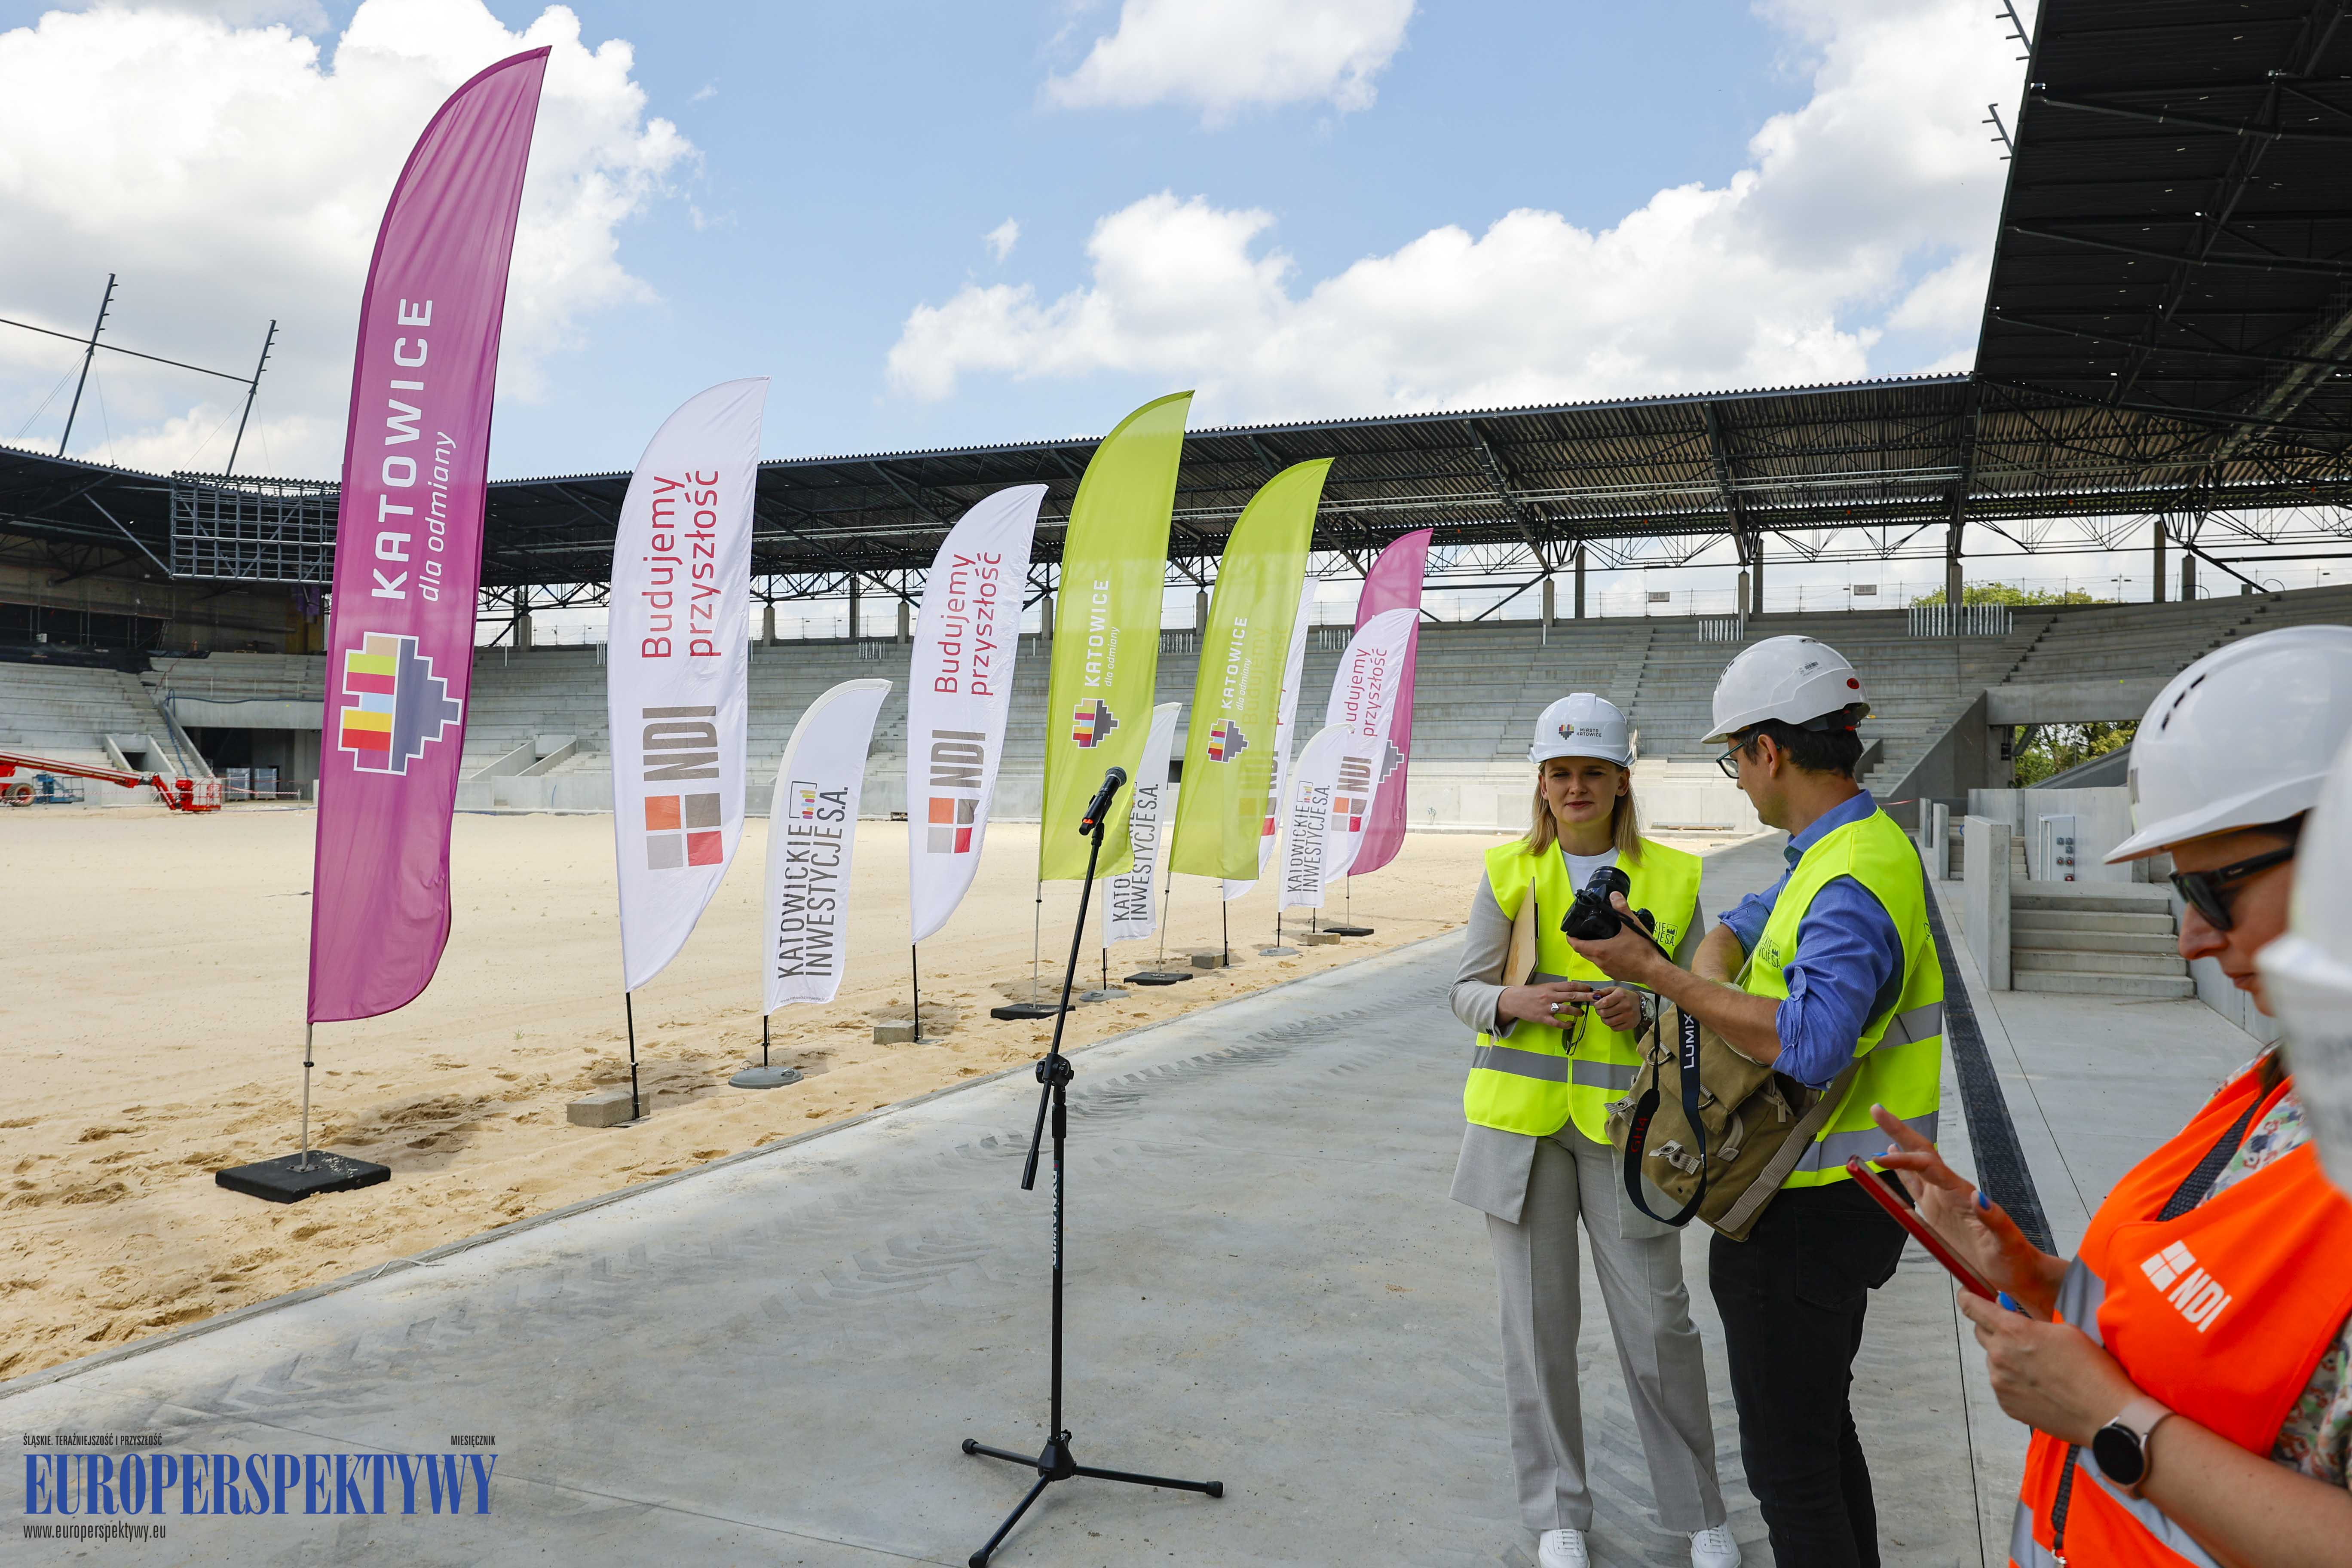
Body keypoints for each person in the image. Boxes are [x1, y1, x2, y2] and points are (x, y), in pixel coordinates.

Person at [1873, 625, 2352, 1567]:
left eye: (2213, 892)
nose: (2191, 940)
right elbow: (2211, 1318)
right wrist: (2035, 1277)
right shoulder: (2287, 1079)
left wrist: (2114, 1422)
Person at [1561, 636, 1942, 1568]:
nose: (1737, 778)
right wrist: (1702, 968)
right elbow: (1739, 926)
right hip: (1820, 1194)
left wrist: (1660, 975)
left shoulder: (1848, 880)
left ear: (1769, 751)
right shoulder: (1839, 849)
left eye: (1735, 757)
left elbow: (1812, 1043)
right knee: (1818, 1435)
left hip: (1809, 1209)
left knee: (1788, 1469)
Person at [1449, 692, 1741, 1568]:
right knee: (1537, 1335)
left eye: (1592, 773)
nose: (1575, 787)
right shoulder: (1508, 872)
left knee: (1659, 1331)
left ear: (1622, 782)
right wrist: (1516, 1001)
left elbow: (1703, 1009)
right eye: (1560, 773)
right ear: (1541, 784)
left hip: (1633, 1134)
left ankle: (1699, 1514)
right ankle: (1556, 1514)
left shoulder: (1676, 879)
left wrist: (1644, 1007)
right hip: (1520, 1137)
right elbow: (1464, 992)